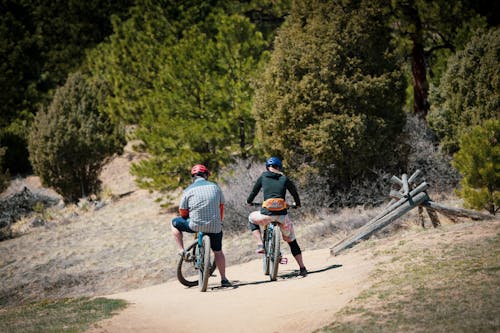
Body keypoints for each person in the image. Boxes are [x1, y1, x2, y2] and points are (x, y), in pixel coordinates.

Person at [171, 164, 232, 287]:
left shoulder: (188, 190)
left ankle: (182, 250)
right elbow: (221, 207)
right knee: (218, 252)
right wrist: (219, 221)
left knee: (174, 223)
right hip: (215, 226)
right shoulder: (215, 187)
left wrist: (190, 215)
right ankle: (224, 279)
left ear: (193, 177)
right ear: (206, 175)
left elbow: (182, 211)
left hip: (195, 225)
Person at [246, 157, 307, 277]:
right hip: (282, 217)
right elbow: (294, 193)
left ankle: (260, 244)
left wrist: (249, 202)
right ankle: (302, 267)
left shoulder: (263, 177)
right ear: (279, 167)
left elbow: (254, 192)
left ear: (267, 167)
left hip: (265, 216)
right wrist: (297, 204)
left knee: (251, 218)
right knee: (292, 241)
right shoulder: (284, 178)